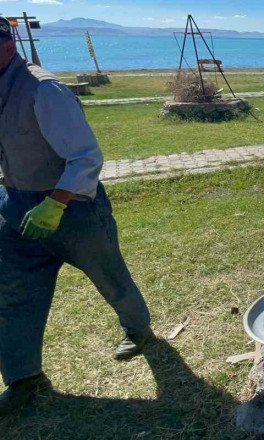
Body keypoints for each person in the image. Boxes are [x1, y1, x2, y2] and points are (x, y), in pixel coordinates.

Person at [0, 16, 153, 415]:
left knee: (111, 278)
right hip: (15, 206)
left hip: (73, 209)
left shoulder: (44, 89)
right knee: (12, 294)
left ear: (6, 43)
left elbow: (86, 156)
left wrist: (56, 203)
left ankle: (138, 330)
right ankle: (23, 377)